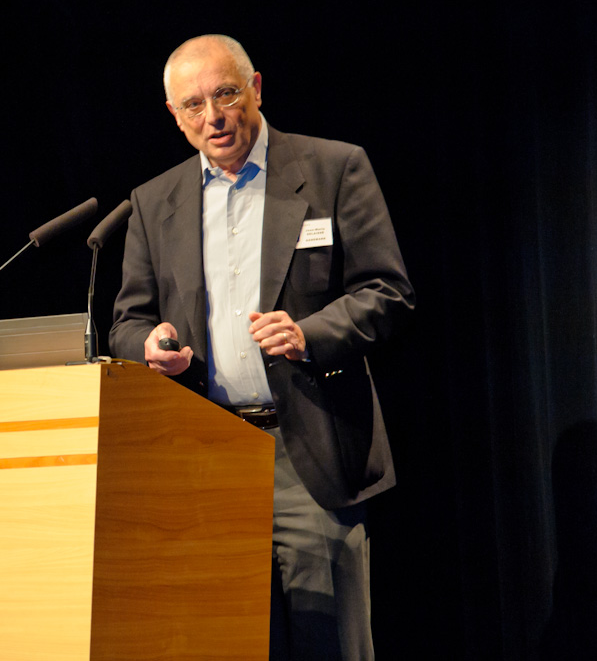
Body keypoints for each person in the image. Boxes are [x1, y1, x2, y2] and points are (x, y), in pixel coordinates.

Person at [108, 34, 414, 660]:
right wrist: (151, 344)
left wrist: (309, 335)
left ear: (256, 89)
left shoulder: (333, 168)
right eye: (193, 105)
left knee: (330, 646)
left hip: (309, 452)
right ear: (174, 115)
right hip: (207, 460)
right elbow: (127, 324)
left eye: (225, 94)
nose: (213, 117)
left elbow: (387, 292)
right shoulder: (153, 201)